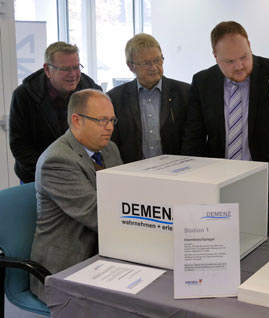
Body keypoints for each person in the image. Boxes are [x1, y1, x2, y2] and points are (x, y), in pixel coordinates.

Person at [181, 21, 269, 239]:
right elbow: (193, 137)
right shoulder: (202, 81)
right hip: (220, 190)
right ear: (215, 56)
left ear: (250, 45)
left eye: (244, 57)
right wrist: (191, 185)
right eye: (229, 61)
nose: (239, 66)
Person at [30, 89, 122, 302]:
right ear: (76, 120)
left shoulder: (110, 150)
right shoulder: (58, 161)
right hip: (68, 265)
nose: (109, 127)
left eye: (112, 120)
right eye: (101, 120)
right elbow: (97, 214)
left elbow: (122, 195)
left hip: (105, 252)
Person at [9, 41, 102, 183]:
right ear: (47, 70)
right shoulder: (24, 96)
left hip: (82, 173)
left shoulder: (90, 90)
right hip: (38, 175)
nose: (73, 75)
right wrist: (51, 173)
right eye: (65, 69)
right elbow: (20, 145)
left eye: (76, 67)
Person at [107, 33, 190, 163]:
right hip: (132, 172)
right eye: (147, 63)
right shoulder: (115, 98)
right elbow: (112, 142)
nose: (154, 67)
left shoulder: (184, 93)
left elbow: (192, 138)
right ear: (131, 66)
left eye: (158, 60)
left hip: (176, 170)